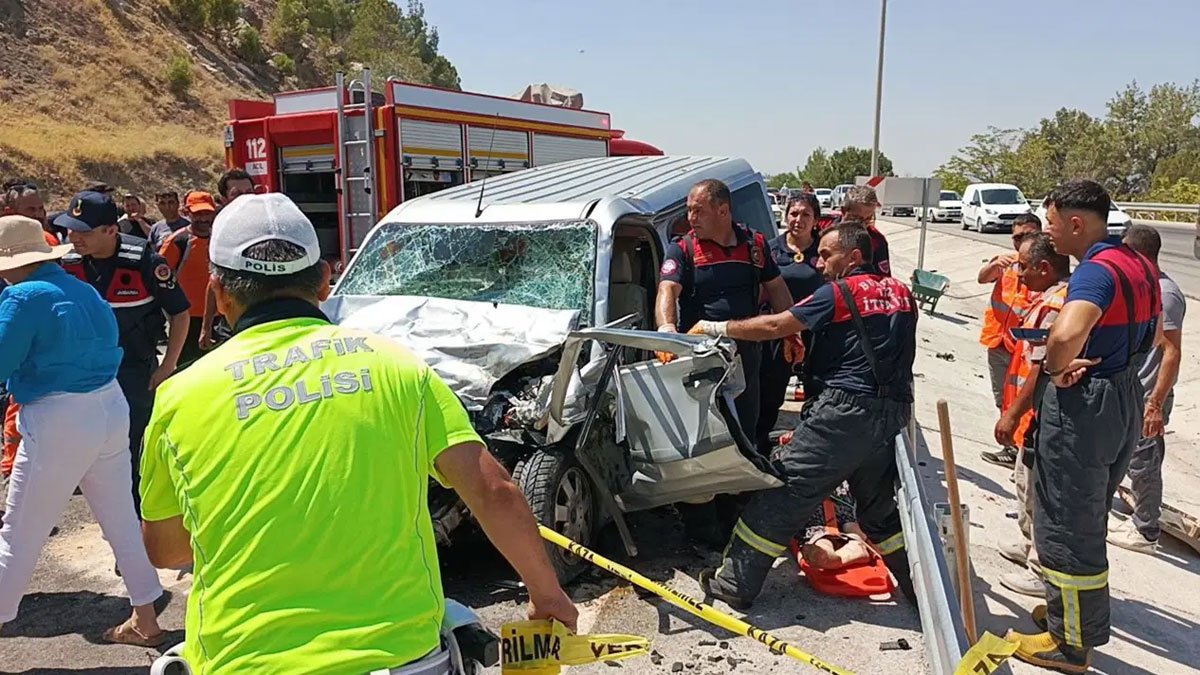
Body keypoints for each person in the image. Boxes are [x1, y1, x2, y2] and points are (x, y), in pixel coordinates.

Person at [138, 193, 576, 673]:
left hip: (243, 660)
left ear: (219, 293)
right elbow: (492, 490)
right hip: (402, 657)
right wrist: (547, 594)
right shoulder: (397, 367)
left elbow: (167, 550)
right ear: (325, 281)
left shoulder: (179, 397)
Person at [691, 222, 917, 609]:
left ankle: (732, 585)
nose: (819, 262)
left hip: (845, 412)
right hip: (892, 412)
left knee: (781, 493)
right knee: (878, 512)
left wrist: (714, 326)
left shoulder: (840, 292)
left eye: (828, 254)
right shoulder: (901, 292)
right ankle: (920, 589)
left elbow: (778, 324)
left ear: (855, 257)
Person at [1005, 180, 1160, 673]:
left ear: (1076, 223)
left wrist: (1055, 368)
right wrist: (1111, 363)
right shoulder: (1138, 263)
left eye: (1051, 222)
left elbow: (1068, 332)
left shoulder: (1095, 271)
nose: (1048, 231)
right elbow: (1155, 334)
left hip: (1086, 408)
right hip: (1124, 394)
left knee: (1066, 524)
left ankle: (1069, 645)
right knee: (1087, 516)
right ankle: (1066, 619)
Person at [0, 215, 164, 644]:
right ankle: (145, 619)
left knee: (19, 533)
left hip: (58, 415)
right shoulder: (85, 291)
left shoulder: (21, 297)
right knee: (121, 520)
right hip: (109, 405)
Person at [654, 179, 794, 546]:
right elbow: (667, 290)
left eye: (697, 210)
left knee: (744, 437)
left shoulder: (756, 245)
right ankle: (701, 531)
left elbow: (777, 288)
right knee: (700, 444)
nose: (690, 217)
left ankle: (736, 524)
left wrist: (792, 331)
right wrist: (668, 329)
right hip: (701, 362)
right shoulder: (682, 248)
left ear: (723, 210)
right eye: (688, 209)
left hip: (746, 357)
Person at [54, 191, 191, 511]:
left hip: (133, 372)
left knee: (133, 452)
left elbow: (180, 313)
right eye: (71, 230)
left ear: (111, 231)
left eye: (84, 231)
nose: (74, 237)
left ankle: (140, 524)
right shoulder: (68, 264)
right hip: (85, 374)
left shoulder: (146, 261)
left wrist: (167, 366)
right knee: (90, 450)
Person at [992, 233, 1070, 598]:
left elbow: (1040, 369)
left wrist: (1012, 415)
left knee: (1036, 494)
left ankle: (1041, 567)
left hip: (1037, 415)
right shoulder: (1047, 297)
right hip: (1029, 417)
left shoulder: (1055, 305)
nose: (1018, 274)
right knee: (1024, 486)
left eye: (1023, 267)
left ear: (1044, 267)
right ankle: (1029, 547)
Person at [1107, 224, 1185, 554]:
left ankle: (1146, 530)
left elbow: (1171, 351)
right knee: (1127, 455)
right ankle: (1138, 512)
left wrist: (1155, 404)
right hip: (1133, 389)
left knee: (1145, 459)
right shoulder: (1147, 288)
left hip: (1149, 395)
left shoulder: (1166, 294)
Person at [757, 192, 823, 453]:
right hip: (778, 332)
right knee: (769, 394)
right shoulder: (770, 249)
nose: (798, 219)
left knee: (817, 394)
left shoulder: (824, 251)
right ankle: (759, 448)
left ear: (815, 220)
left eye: (806, 214)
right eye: (794, 213)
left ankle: (809, 450)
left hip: (815, 333)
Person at [976, 214, 1042, 468]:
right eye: (1016, 237)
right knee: (1001, 398)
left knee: (1024, 403)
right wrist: (994, 265)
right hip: (998, 342)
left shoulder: (1043, 265)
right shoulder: (1007, 263)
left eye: (1027, 235)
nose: (1020, 241)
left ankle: (1024, 451)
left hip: (1024, 350)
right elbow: (982, 278)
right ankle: (1012, 448)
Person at [198, 169, 258, 352]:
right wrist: (206, 327)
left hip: (264, 315)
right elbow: (215, 280)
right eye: (237, 194)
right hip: (233, 319)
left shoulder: (268, 225)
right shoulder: (221, 233)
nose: (245, 199)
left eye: (249, 192)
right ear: (223, 200)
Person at [160, 191, 220, 367]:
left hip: (220, 316)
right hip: (186, 318)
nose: (203, 219)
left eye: (207, 213)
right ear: (187, 213)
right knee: (188, 366)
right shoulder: (178, 242)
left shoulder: (220, 238)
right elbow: (159, 277)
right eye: (198, 214)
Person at [839, 185, 891, 276]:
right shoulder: (824, 230)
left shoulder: (877, 241)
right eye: (856, 218)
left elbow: (882, 280)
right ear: (844, 211)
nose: (862, 224)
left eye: (868, 219)